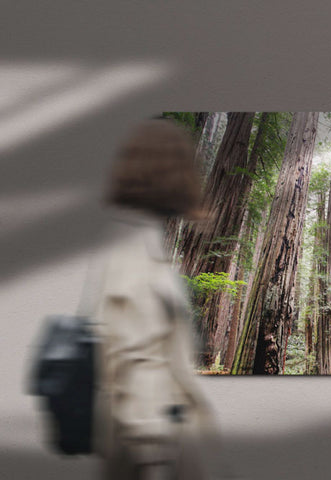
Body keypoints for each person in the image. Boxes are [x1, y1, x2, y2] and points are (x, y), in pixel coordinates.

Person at [91, 119, 215, 480]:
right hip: (156, 448)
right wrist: (155, 461)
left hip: (155, 442)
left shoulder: (137, 238)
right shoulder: (132, 247)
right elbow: (136, 359)